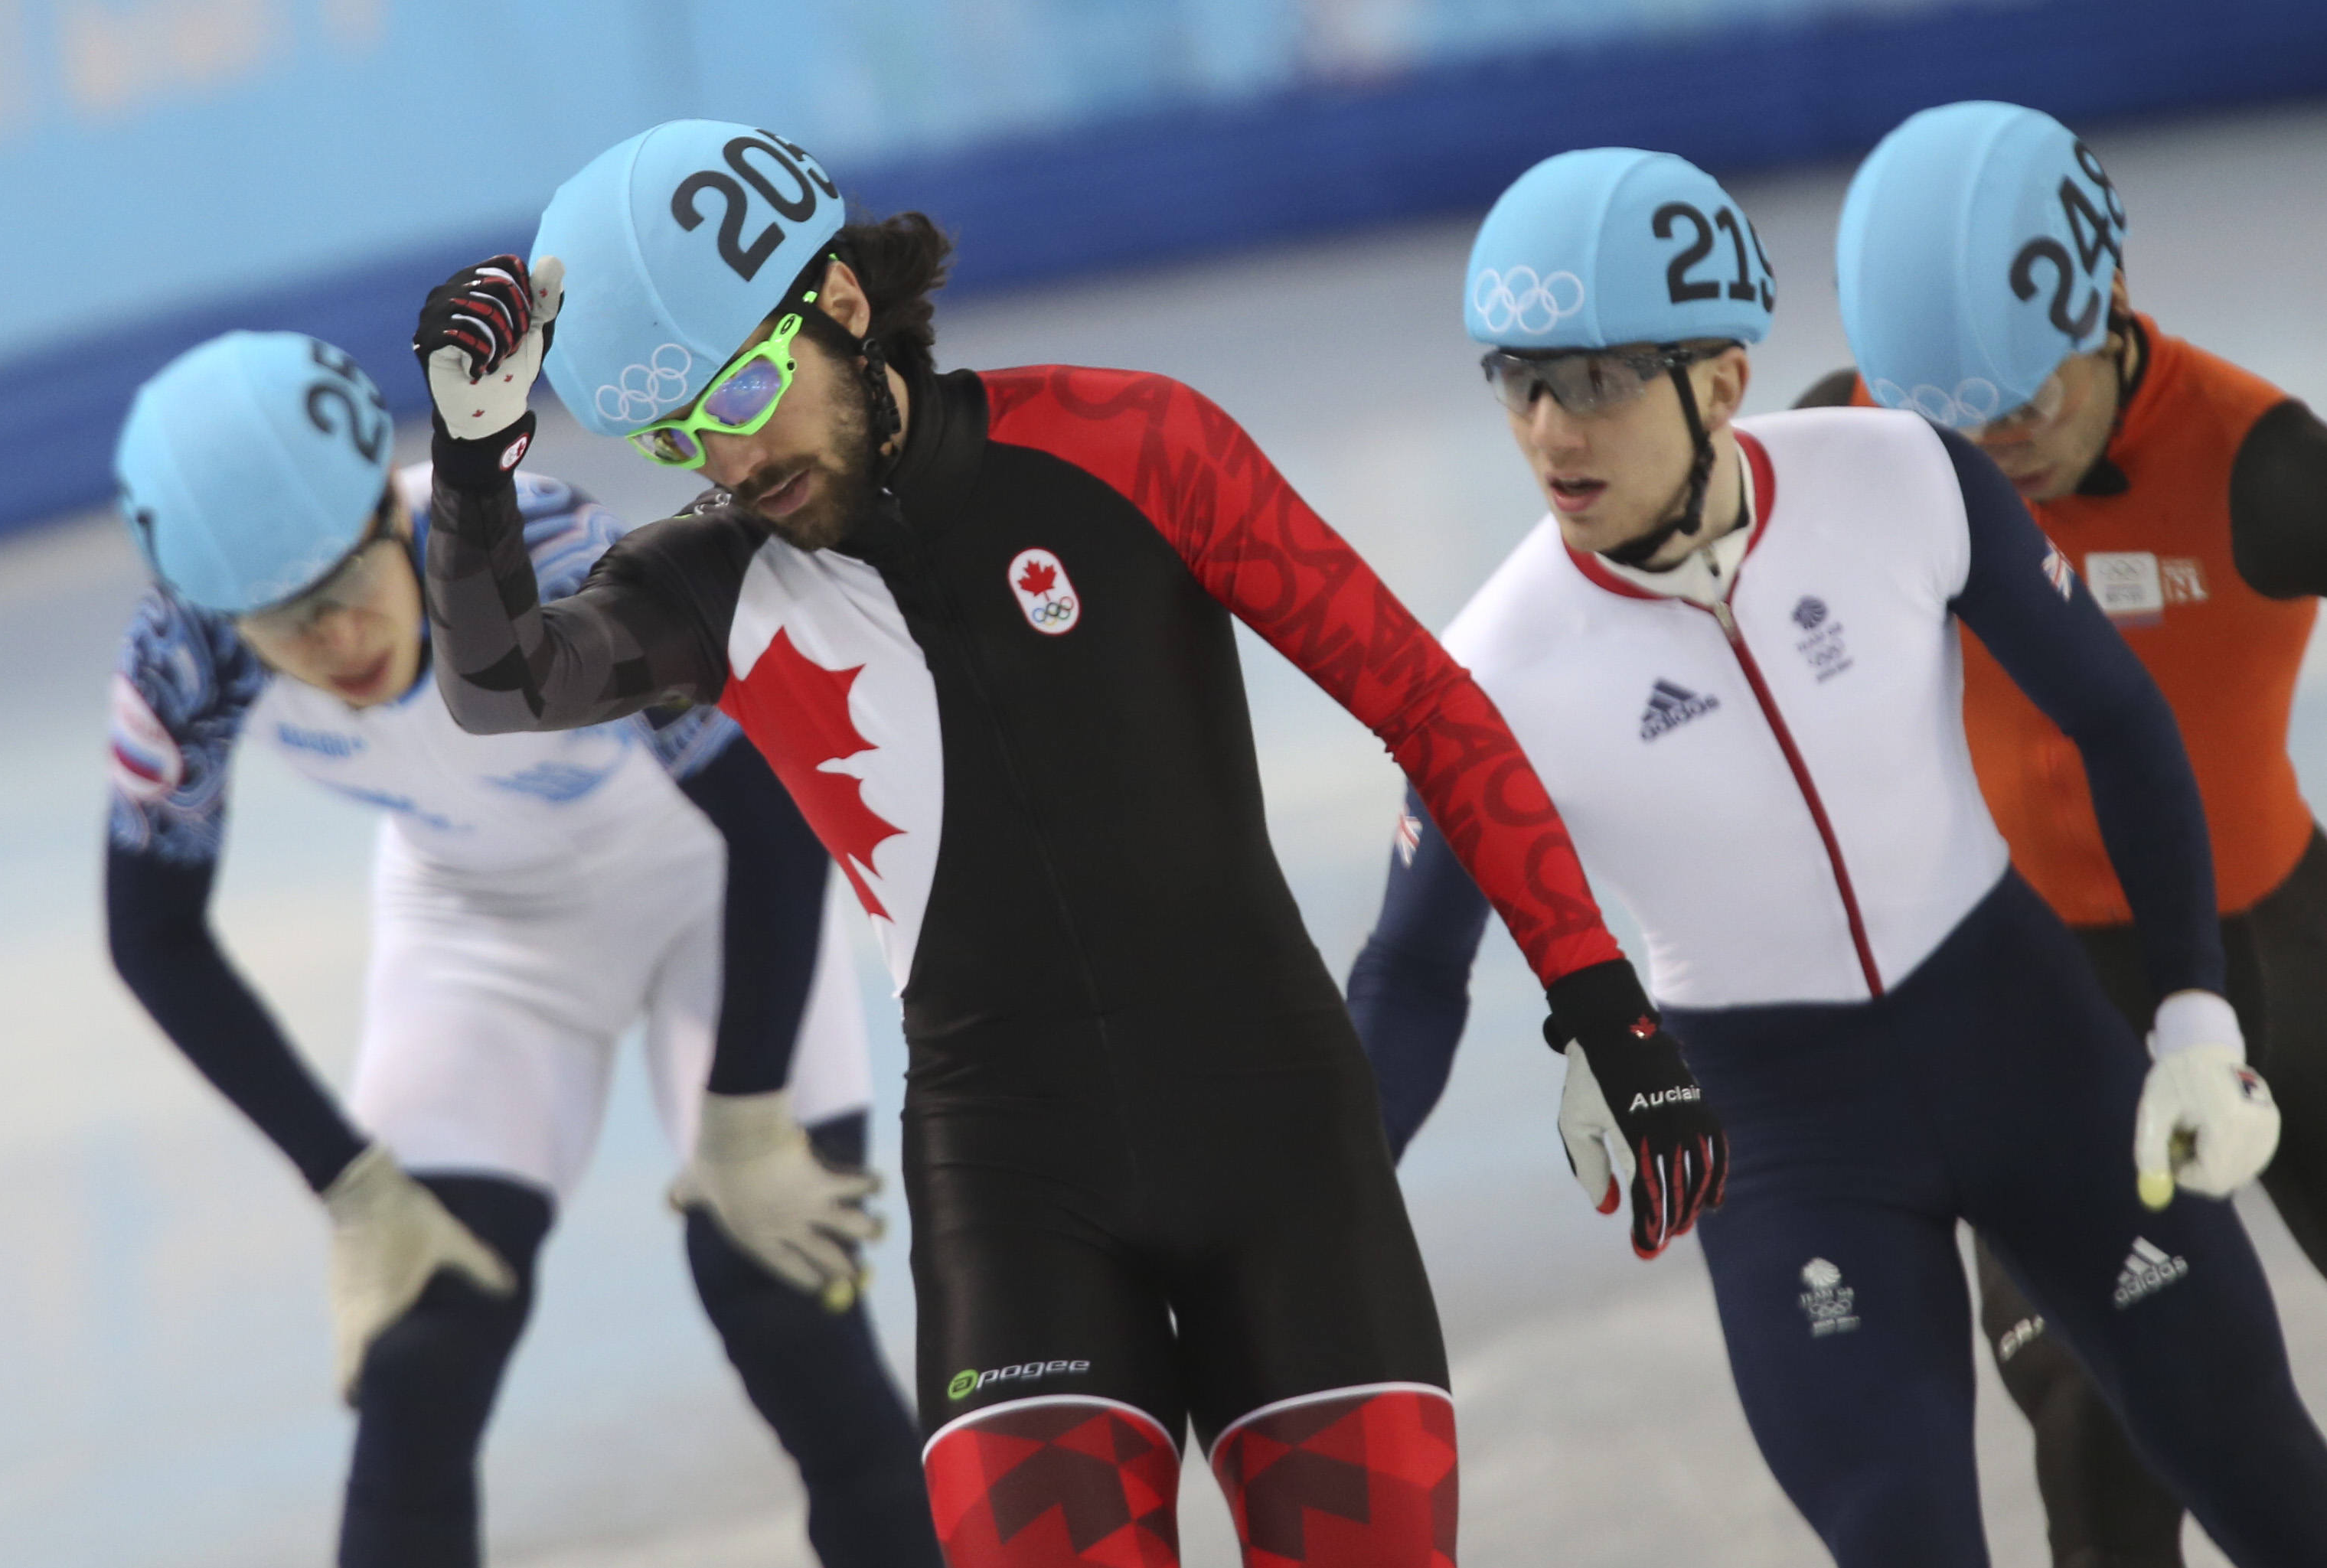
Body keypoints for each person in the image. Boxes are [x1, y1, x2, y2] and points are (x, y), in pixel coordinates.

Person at [409, 118, 1726, 1568]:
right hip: (1010, 1183)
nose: (729, 458)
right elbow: (496, 682)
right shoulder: (711, 583)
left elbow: (1423, 703)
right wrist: (472, 472)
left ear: (841, 307)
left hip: (1277, 1140)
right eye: (678, 437)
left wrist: (1601, 1001)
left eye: (749, 391)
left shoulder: (1131, 442)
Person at [1344, 144, 2327, 1567]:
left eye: (1603, 378)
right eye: (1518, 379)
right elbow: (1412, 974)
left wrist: (2190, 1012)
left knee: (2269, 1482)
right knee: (1902, 1532)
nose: (1553, 429)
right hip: (1785, 1131)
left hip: (2025, 1041)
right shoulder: (1486, 670)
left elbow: (2117, 716)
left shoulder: (1901, 477)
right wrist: (1314, 1218)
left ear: (1722, 382)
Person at [105, 329, 939, 1568]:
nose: (330, 645)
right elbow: (152, 936)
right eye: (283, 628)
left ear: (391, 525)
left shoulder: (539, 554)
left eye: (342, 592)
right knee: (422, 1346)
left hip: (705, 888)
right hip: (481, 928)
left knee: (776, 1295)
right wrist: (352, 1185)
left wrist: (748, 1111)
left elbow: (769, 827)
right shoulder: (187, 653)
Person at [1795, 99, 2327, 1568]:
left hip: (2281, 944)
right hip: (2033, 1002)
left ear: (2106, 301)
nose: (1994, 440)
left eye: (2026, 397)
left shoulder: (2263, 464)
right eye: (1954, 414)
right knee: (2097, 1421)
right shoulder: (1853, 435)